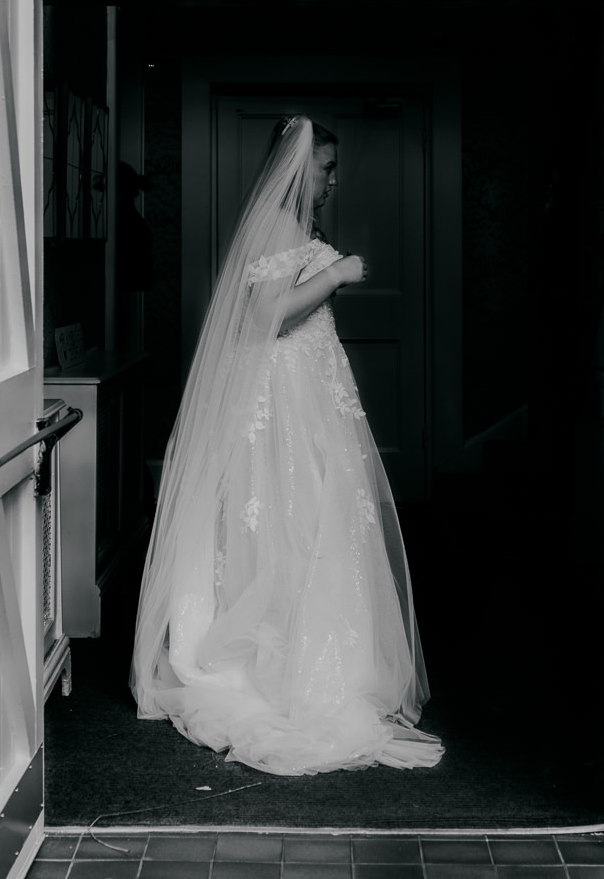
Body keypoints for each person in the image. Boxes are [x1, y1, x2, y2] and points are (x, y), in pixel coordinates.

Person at [130, 115, 442, 775]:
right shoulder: (276, 226)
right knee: (289, 514)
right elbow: (267, 318)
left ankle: (320, 648)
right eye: (326, 168)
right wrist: (336, 275)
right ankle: (282, 661)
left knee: (315, 514)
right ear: (301, 170)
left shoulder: (293, 227)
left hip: (307, 387)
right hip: (285, 392)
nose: (332, 181)